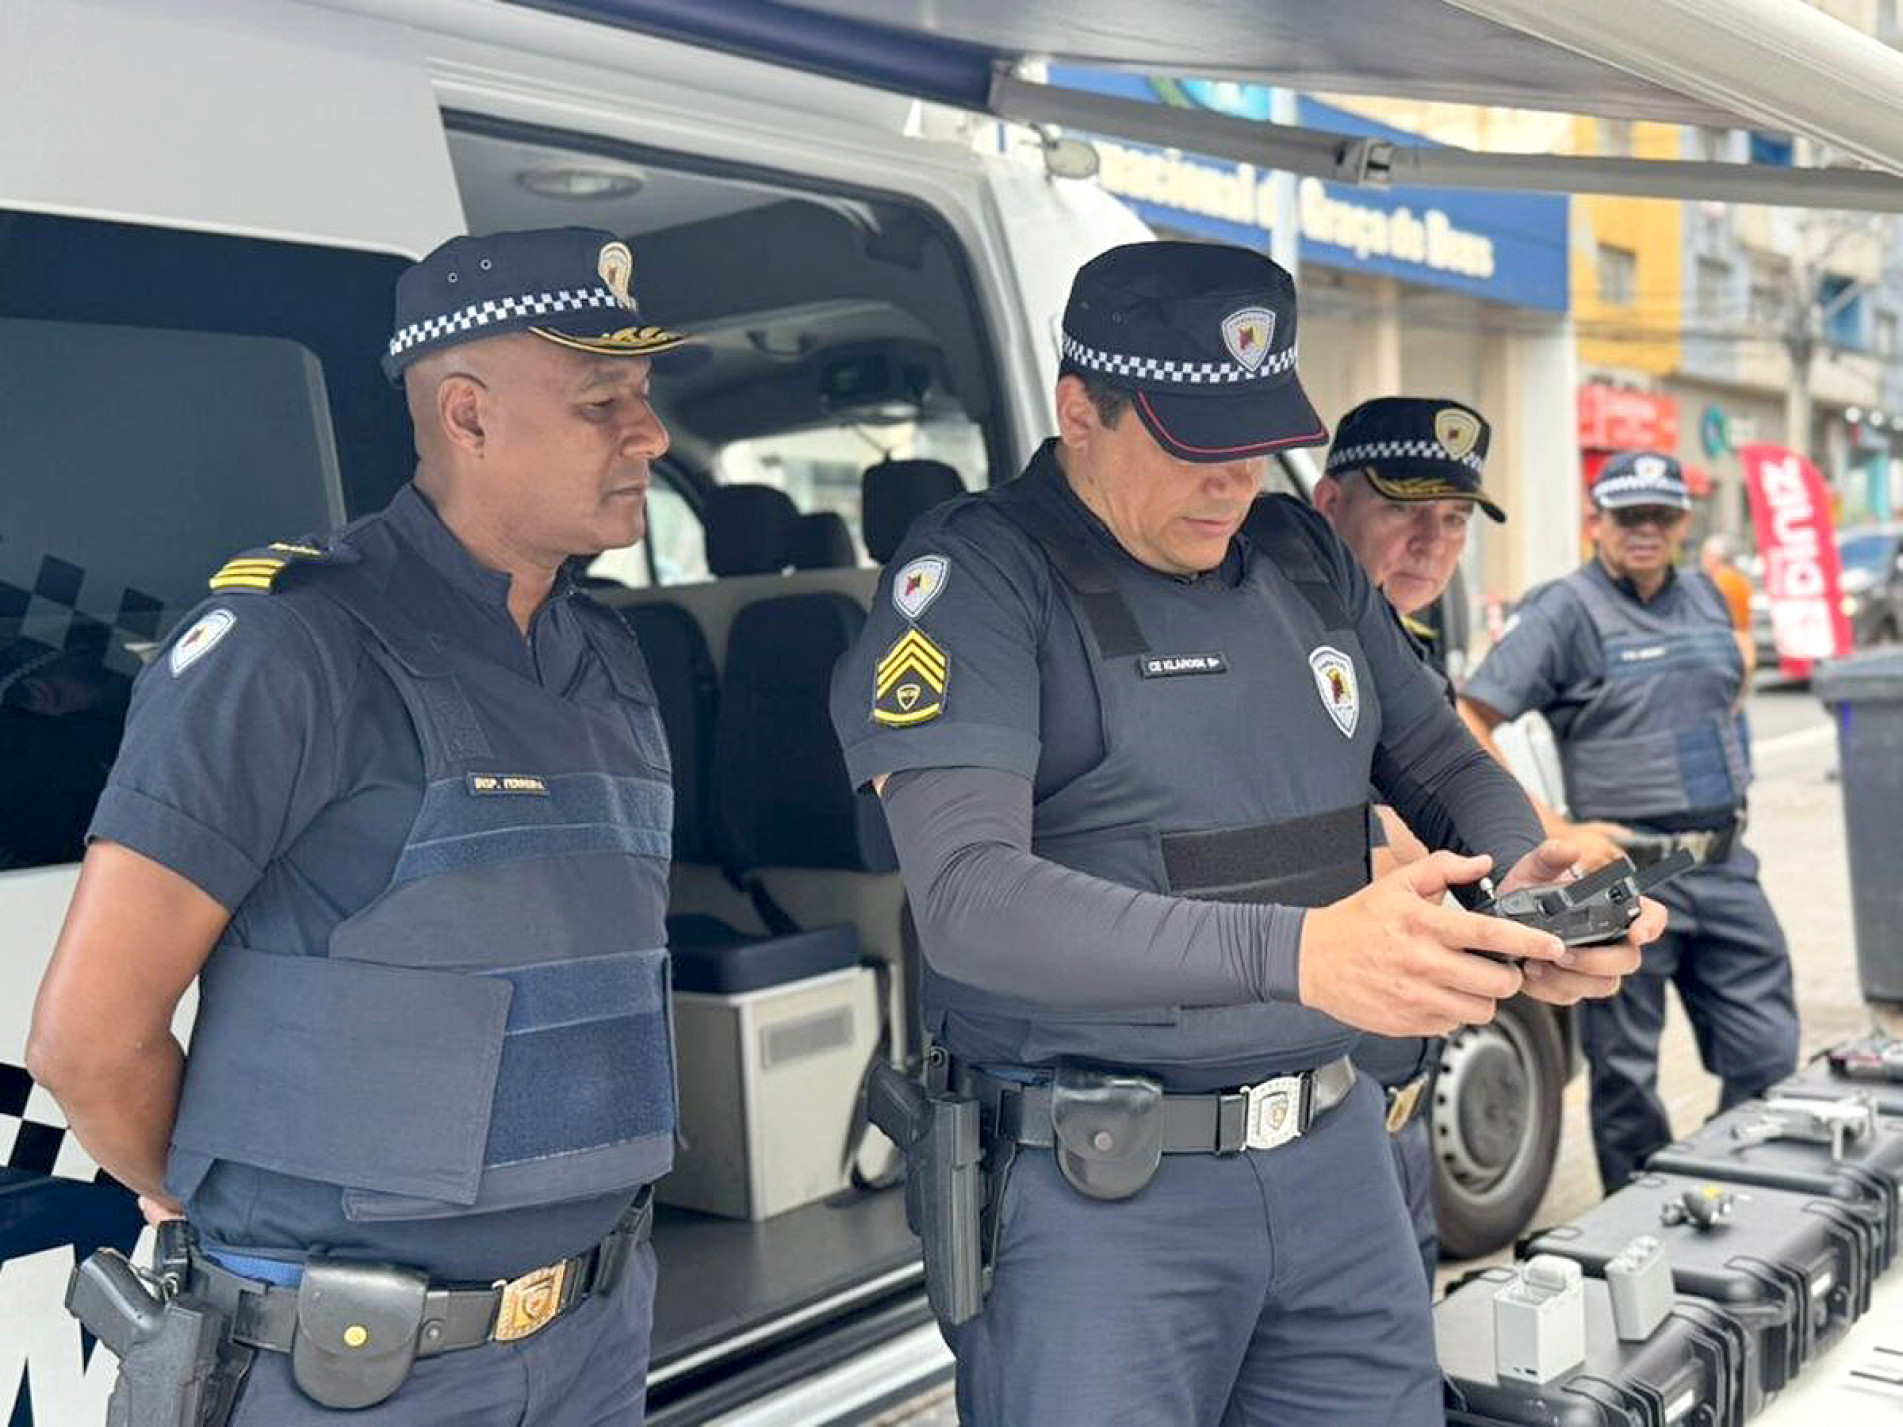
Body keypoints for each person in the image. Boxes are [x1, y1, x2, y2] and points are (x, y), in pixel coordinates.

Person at [830, 241, 1660, 1426]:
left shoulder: (1299, 552)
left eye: (1250, 439)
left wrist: (1526, 873)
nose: (1230, 479)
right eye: (1189, 441)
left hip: (1335, 1166)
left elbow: (1430, 755)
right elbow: (967, 894)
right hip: (1098, 1201)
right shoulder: (978, 575)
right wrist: (1303, 954)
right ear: (1079, 411)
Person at [28, 226, 687, 1425]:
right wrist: (220, 1197)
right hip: (357, 1365)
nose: (651, 435)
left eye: (644, 398)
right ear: (469, 417)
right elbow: (87, 1035)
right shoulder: (288, 649)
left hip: (595, 1331)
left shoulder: (609, 657)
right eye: (605, 403)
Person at [1458, 450, 1794, 1193]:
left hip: (1724, 863)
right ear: (1595, 521)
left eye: (1659, 515)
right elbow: (1467, 716)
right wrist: (1549, 825)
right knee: (1627, 1079)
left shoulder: (1709, 595)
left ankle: (1734, 1198)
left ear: (1681, 521)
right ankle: (1643, 1235)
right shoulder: (1563, 609)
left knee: (1766, 1051)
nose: (1644, 529)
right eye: (1626, 515)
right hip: (1625, 874)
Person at [1304, 394, 1505, 1281]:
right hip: (1318, 1110)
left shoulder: (1403, 647)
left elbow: (1460, 770)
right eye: (1402, 508)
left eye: (1454, 518)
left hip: (1403, 1105)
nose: (1432, 542)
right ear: (1326, 505)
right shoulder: (1289, 645)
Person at [1700, 531, 1754, 634]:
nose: (1703, 560)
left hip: (1727, 639)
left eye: (1705, 555)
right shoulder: (1740, 579)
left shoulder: (1719, 582)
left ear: (1714, 557)